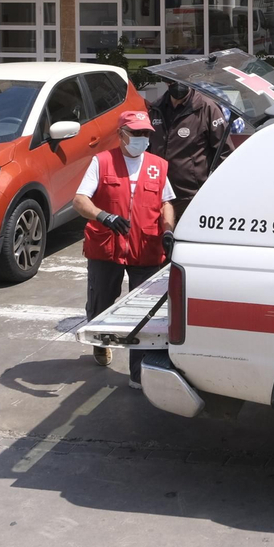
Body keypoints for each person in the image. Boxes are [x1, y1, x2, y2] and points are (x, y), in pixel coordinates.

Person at [73, 110, 176, 386]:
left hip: (146, 247)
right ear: (121, 134)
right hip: (107, 246)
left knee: (144, 313)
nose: (142, 139)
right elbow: (80, 200)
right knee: (101, 303)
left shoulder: (157, 165)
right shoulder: (102, 161)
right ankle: (100, 339)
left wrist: (167, 230)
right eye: (136, 133)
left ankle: (138, 374)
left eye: (146, 134)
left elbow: (166, 202)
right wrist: (103, 216)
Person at [150, 78, 227, 220]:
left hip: (192, 194)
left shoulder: (206, 107)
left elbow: (224, 151)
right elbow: (148, 149)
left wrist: (217, 187)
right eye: (172, 81)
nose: (178, 85)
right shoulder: (156, 108)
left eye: (182, 80)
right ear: (165, 81)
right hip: (159, 192)